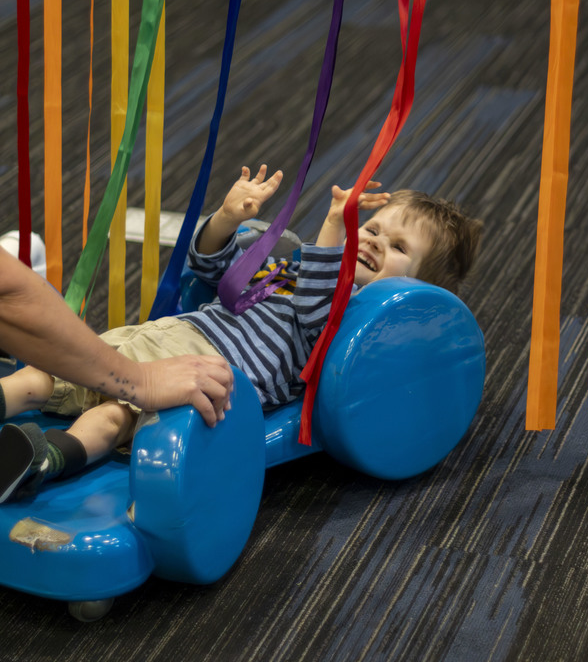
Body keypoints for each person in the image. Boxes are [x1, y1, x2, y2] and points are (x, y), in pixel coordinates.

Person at [0, 164, 482, 503]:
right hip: (164, 336)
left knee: (111, 419)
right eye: (372, 227)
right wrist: (228, 219)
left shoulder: (353, 322)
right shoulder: (288, 267)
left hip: (203, 376)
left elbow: (315, 309)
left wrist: (335, 225)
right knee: (44, 376)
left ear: (412, 291)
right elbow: (210, 267)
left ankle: (44, 461)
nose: (374, 241)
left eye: (398, 247)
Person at [0, 248, 232, 425]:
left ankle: (50, 457)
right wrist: (143, 380)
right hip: (165, 339)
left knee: (113, 415)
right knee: (49, 384)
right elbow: (11, 295)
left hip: (169, 343)